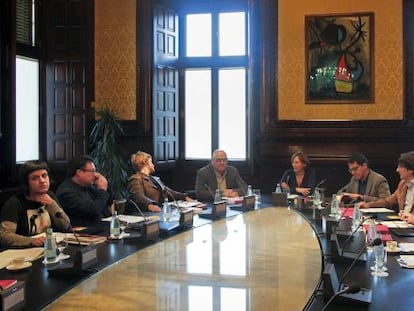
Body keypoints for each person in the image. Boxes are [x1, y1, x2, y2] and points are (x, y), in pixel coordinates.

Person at [0, 160, 70, 247]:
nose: (42, 181)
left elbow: (66, 225)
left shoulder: (50, 196)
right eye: (35, 178)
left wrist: (52, 205)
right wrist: (30, 240)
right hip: (24, 251)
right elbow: (5, 236)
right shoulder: (14, 203)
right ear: (27, 182)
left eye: (44, 176)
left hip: (48, 247)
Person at [56, 155, 112, 226]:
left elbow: (108, 202)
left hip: (99, 225)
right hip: (84, 231)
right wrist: (102, 190)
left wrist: (106, 185)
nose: (95, 175)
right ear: (79, 172)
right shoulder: (66, 193)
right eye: (92, 171)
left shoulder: (87, 186)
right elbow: (94, 210)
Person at [128, 151, 193, 212]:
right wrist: (150, 205)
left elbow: (169, 192)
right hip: (148, 214)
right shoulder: (136, 179)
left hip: (160, 211)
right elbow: (138, 197)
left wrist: (184, 197)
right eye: (151, 162)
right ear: (145, 163)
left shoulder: (155, 179)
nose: (153, 165)